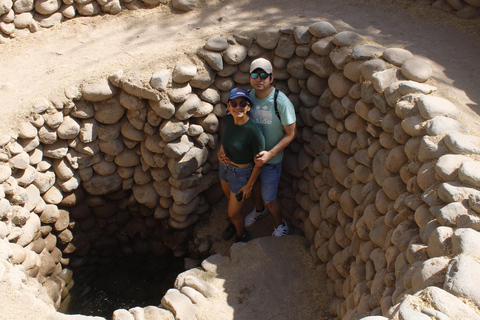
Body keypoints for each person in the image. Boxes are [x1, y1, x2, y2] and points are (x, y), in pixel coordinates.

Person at [245, 57, 297, 236]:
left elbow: (291, 134)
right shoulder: (247, 97)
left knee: (270, 199)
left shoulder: (280, 102)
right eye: (255, 74)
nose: (259, 79)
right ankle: (259, 211)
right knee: (255, 188)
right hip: (251, 158)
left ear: (271, 78)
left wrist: (270, 153)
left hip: (272, 160)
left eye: (263, 75)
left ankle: (280, 224)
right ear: (250, 77)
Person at [218, 88, 265, 242]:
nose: (238, 107)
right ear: (229, 106)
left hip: (241, 173)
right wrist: (221, 152)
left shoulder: (254, 132)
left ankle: (241, 234)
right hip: (224, 168)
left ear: (248, 107)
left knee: (233, 212)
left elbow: (259, 163)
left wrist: (249, 185)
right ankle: (234, 224)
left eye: (243, 103)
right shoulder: (228, 120)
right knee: (229, 201)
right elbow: (226, 139)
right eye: (234, 103)